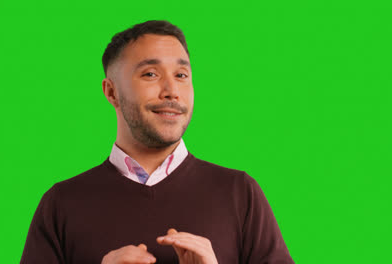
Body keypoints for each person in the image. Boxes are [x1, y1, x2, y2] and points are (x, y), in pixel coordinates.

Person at [20, 20, 294, 264]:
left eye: (181, 75)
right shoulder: (61, 204)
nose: (172, 91)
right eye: (150, 74)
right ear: (111, 92)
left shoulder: (240, 193)